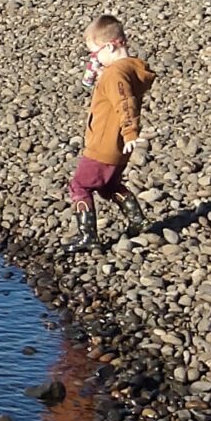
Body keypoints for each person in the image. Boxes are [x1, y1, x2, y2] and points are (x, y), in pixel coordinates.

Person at [67, 15, 155, 247]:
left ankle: (88, 236)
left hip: (104, 145)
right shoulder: (128, 69)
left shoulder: (115, 74)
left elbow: (125, 103)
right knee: (108, 186)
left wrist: (130, 132)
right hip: (118, 147)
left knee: (80, 186)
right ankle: (138, 221)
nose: (93, 59)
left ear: (109, 47)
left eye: (94, 53)